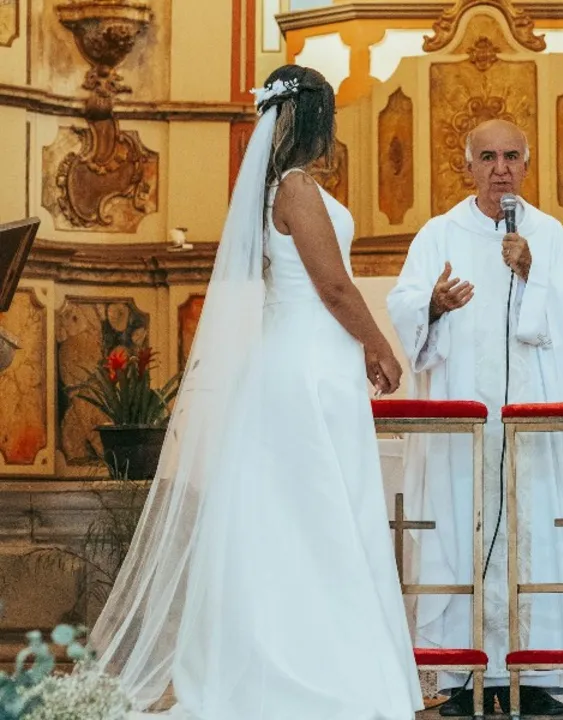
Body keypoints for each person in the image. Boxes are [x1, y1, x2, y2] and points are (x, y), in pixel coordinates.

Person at [89, 65, 422, 720]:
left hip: (303, 359)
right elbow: (333, 286)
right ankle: (318, 675)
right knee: (318, 516)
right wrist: (380, 347)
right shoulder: (296, 187)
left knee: (295, 517)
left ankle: (288, 663)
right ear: (317, 119)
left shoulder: (279, 188)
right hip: (307, 367)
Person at [387, 118, 563, 717]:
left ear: (527, 164)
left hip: (530, 432)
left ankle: (535, 677)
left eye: (510, 156)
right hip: (466, 433)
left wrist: (534, 274)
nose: (500, 168)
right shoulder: (438, 235)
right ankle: (463, 677)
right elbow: (405, 305)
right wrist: (433, 305)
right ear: (468, 165)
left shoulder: (551, 236)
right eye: (487, 157)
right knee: (461, 531)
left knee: (535, 534)